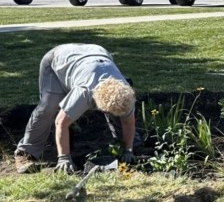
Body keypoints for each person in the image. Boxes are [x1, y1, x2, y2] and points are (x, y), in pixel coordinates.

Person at [14, 44, 138, 174]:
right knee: (49, 106)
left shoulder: (126, 93)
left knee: (118, 111)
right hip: (58, 59)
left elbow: (128, 122)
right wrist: (64, 158)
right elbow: (61, 122)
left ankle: (126, 146)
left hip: (98, 53)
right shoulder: (84, 93)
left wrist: (128, 150)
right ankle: (25, 152)